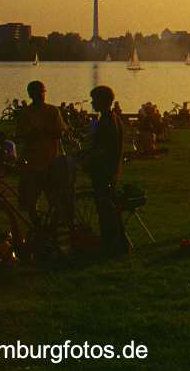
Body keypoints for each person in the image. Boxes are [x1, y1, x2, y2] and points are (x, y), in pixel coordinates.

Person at [85, 85, 128, 257]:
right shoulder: (113, 118)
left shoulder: (107, 121)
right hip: (111, 169)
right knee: (110, 208)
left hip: (104, 171)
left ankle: (110, 244)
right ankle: (118, 243)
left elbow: (103, 148)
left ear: (102, 101)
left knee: (105, 209)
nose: (92, 103)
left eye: (94, 100)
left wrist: (89, 158)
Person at [15, 81, 66, 222]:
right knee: (30, 200)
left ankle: (53, 227)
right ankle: (37, 225)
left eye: (43, 92)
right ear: (31, 95)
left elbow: (60, 133)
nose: (41, 95)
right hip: (31, 162)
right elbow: (20, 136)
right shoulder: (25, 113)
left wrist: (46, 131)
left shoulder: (52, 111)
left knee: (54, 199)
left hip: (51, 161)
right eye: (39, 92)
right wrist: (31, 134)